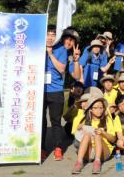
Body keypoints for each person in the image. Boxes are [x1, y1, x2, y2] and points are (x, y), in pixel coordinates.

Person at [42, 25, 80, 161]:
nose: (50, 37)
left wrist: (50, 54)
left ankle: (58, 148)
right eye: (48, 34)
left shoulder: (62, 51)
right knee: (41, 122)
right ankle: (41, 148)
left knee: (56, 121)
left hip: (56, 91)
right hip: (39, 91)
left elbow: (64, 70)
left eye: (53, 34)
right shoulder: (39, 47)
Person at [71, 96, 120, 174]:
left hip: (104, 151)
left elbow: (113, 139)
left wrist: (103, 133)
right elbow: (77, 139)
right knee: (86, 135)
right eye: (96, 108)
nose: (99, 110)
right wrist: (79, 129)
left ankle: (97, 162)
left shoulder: (107, 120)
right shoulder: (84, 120)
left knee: (97, 135)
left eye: (101, 108)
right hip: (90, 151)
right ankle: (79, 162)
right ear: (90, 109)